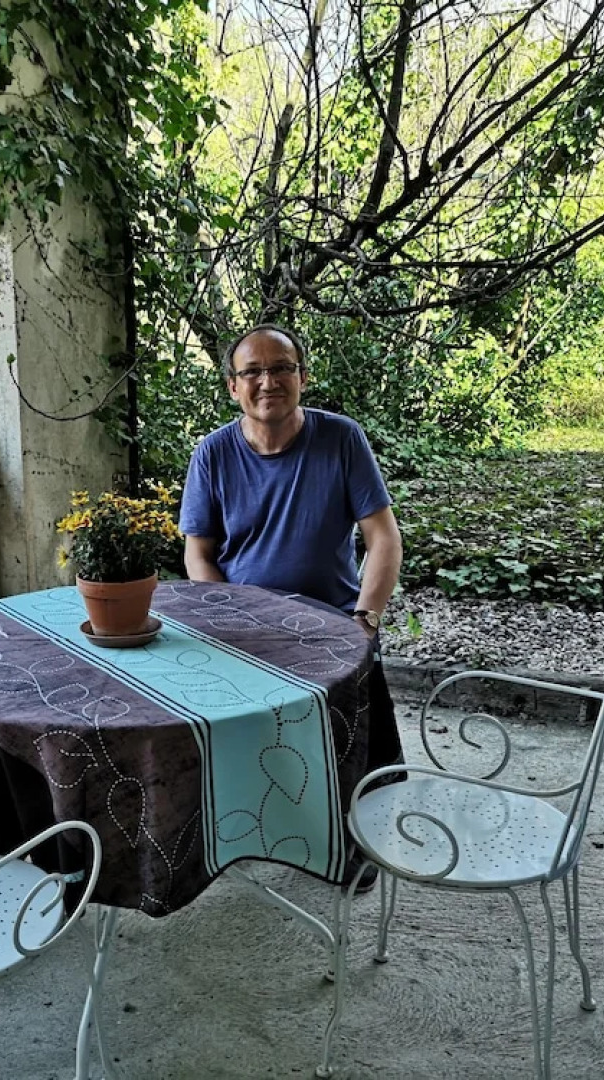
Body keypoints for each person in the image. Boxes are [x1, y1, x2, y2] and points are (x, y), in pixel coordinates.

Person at [178, 323, 404, 892]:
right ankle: (244, 833)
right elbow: (198, 554)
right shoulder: (212, 453)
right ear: (233, 387)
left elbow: (383, 538)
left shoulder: (341, 439)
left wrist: (366, 619)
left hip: (332, 625)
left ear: (302, 377)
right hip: (244, 630)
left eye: (281, 368)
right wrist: (227, 619)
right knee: (232, 741)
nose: (267, 381)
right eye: (252, 371)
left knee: (351, 749)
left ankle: (356, 847)